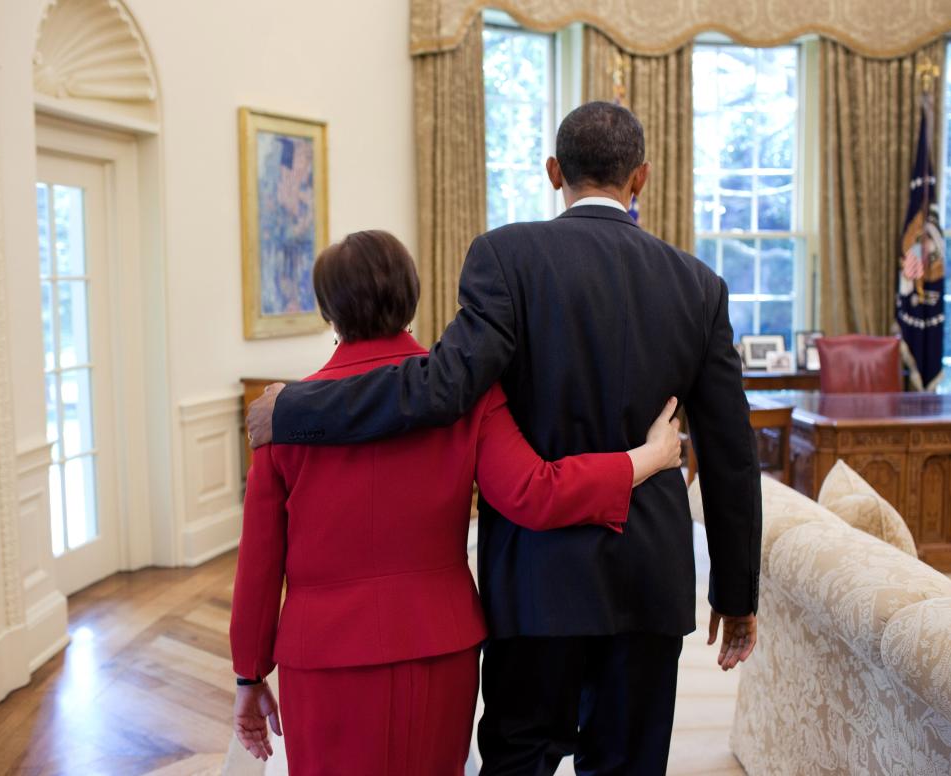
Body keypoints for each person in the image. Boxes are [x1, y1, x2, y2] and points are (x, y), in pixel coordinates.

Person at [248, 101, 761, 774]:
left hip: (535, 581)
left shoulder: (506, 257)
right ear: (641, 179)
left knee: (518, 760)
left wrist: (293, 409)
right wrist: (736, 593)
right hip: (648, 581)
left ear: (555, 172)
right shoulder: (700, 286)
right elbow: (731, 453)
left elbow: (440, 387)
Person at [230, 229, 685, 775]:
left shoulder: (282, 417)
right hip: (439, 642)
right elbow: (536, 491)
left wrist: (249, 676)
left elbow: (258, 566)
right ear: (413, 297)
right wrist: (648, 458)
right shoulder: (469, 397)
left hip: (323, 650)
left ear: (329, 312)